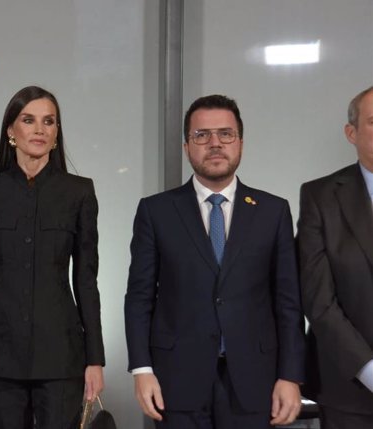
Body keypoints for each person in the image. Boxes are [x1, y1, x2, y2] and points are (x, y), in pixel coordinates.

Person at [124, 94, 305, 429]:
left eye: (226, 134)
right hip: (175, 380)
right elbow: (139, 296)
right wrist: (142, 369)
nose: (215, 143)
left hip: (255, 380)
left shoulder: (272, 211)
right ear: (186, 146)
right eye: (202, 135)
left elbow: (288, 302)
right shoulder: (157, 211)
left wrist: (291, 376)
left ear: (240, 143)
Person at [0, 86, 105, 429]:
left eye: (48, 122)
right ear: (11, 130)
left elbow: (86, 280)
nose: (39, 129)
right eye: (29, 120)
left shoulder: (79, 193)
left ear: (56, 134)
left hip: (62, 356)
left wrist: (95, 360)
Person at [297, 86, 373, 428]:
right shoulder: (320, 196)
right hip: (350, 390)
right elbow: (318, 299)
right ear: (351, 133)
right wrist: (368, 369)